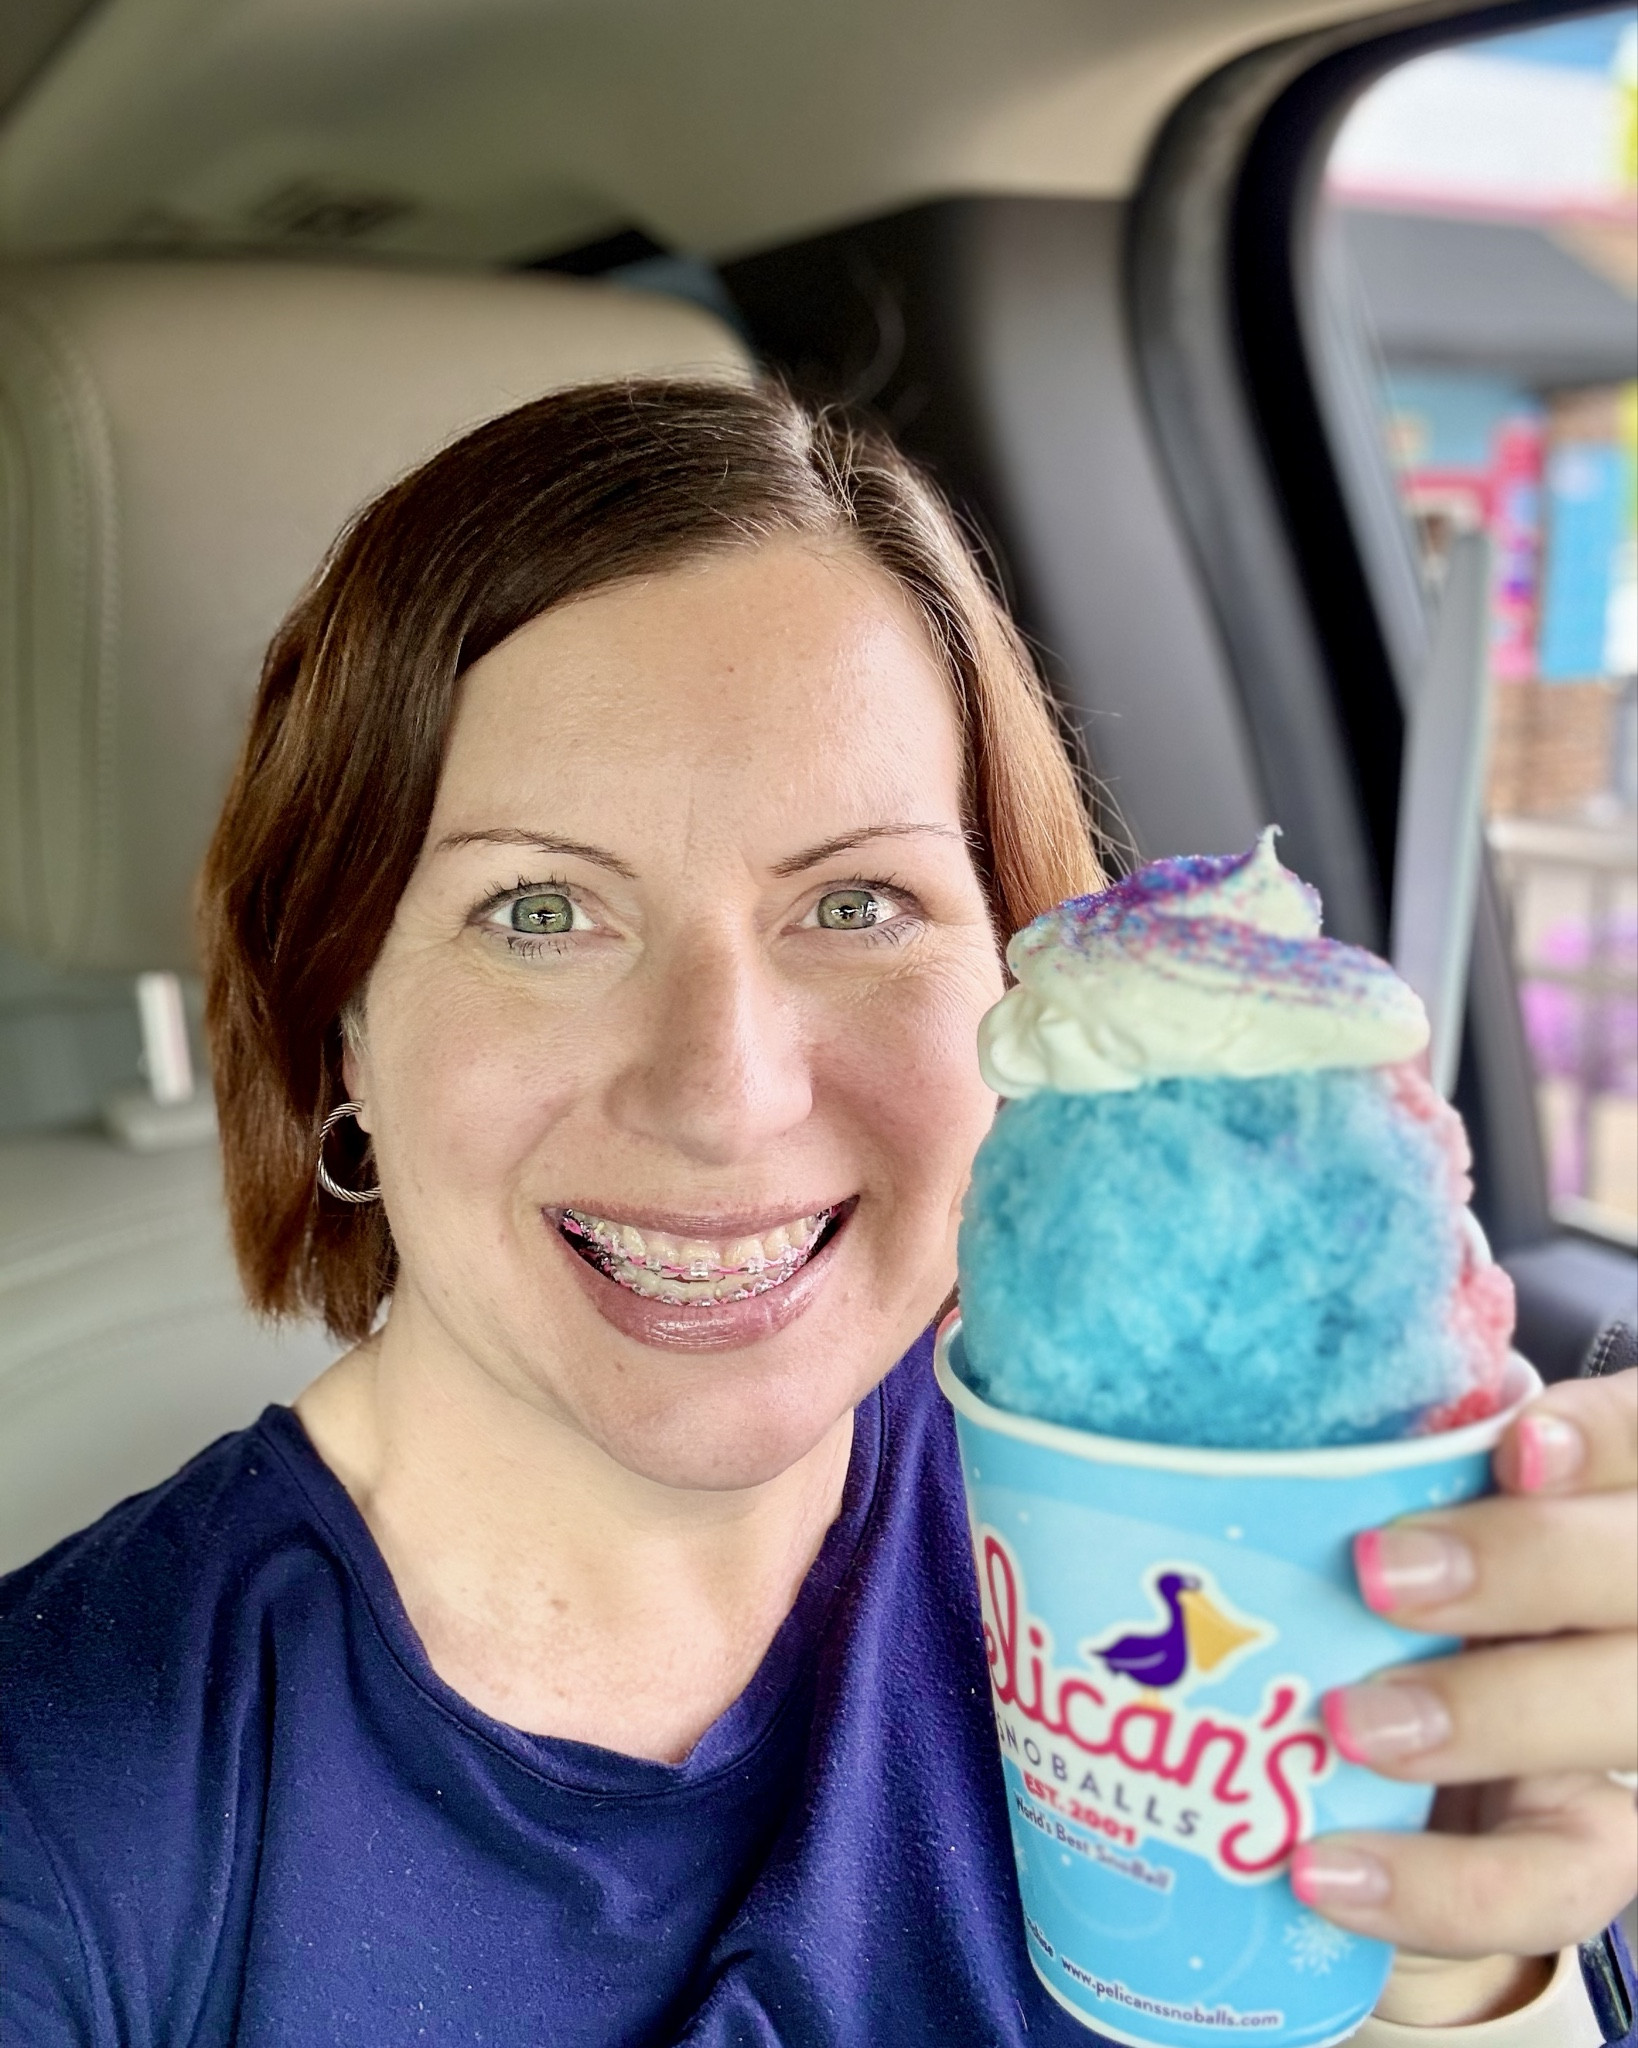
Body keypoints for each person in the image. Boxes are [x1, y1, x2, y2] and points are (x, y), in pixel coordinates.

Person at [1, 379, 1633, 2046]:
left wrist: (1454, 1987)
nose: (725, 1092)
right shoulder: (61, 1807)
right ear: (340, 1021)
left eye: (856, 902)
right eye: (539, 910)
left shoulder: (1246, 1547)